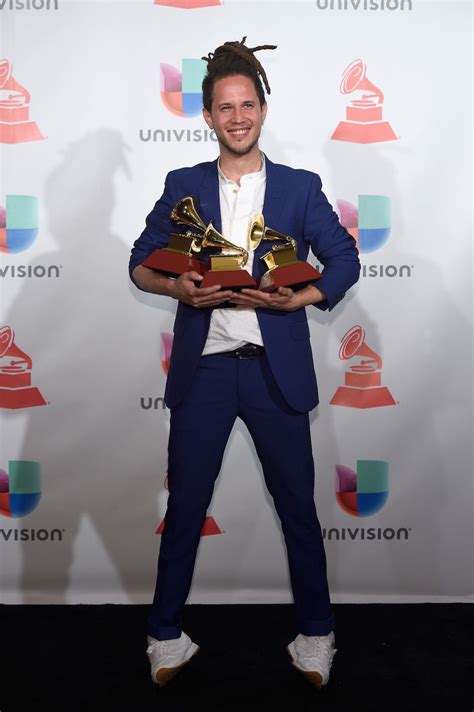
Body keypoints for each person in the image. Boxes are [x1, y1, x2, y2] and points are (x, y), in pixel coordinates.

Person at [129, 37, 360, 690]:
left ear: (262, 108)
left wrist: (301, 299)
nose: (237, 117)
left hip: (272, 374)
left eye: (247, 104)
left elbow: (344, 259)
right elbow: (141, 262)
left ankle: (317, 634)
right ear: (207, 116)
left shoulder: (299, 187)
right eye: (224, 107)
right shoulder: (184, 186)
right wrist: (177, 288)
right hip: (203, 373)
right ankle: (165, 634)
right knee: (185, 510)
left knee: (298, 512)